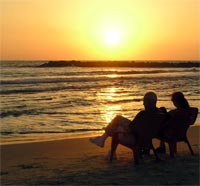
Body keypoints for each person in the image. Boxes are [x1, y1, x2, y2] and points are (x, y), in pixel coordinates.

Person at [89, 91, 164, 157]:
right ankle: (104, 141)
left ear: (148, 102)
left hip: (136, 137)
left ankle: (103, 139)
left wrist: (122, 129)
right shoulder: (160, 113)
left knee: (117, 119)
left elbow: (132, 128)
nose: (143, 103)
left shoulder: (143, 114)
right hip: (147, 138)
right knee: (117, 124)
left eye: (144, 101)